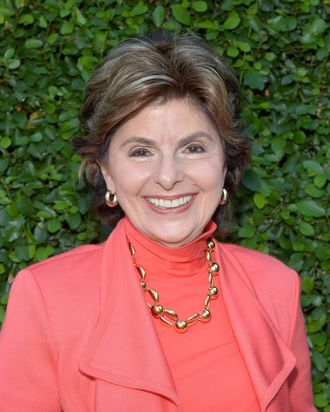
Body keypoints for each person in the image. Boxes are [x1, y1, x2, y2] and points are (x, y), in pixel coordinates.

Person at [0, 31, 315, 411]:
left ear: (225, 161)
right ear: (108, 173)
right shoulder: (46, 296)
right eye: (141, 151)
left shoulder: (276, 286)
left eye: (193, 148)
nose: (168, 176)